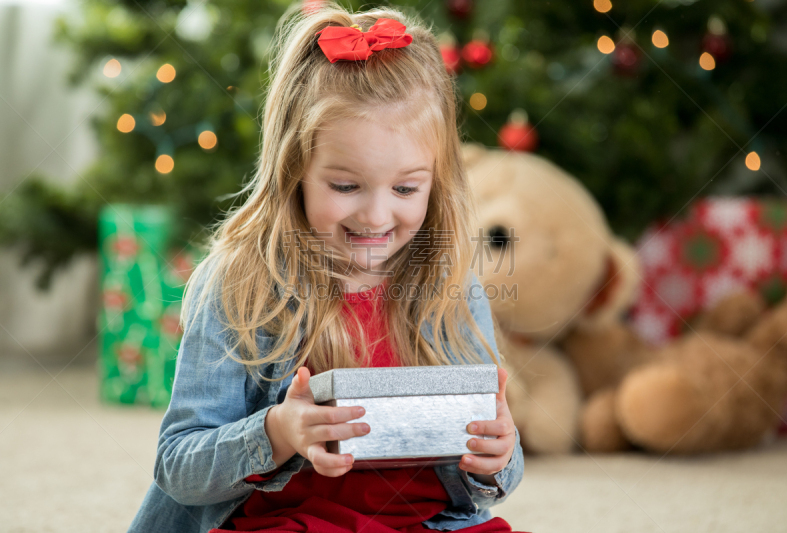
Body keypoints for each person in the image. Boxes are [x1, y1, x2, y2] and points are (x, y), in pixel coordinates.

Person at [128, 4, 525, 532]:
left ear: (436, 179)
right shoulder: (240, 283)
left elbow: (502, 472)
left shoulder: (450, 282)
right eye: (345, 186)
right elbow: (178, 465)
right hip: (289, 522)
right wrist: (276, 432)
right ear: (295, 169)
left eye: (407, 188)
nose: (377, 216)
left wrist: (497, 455)